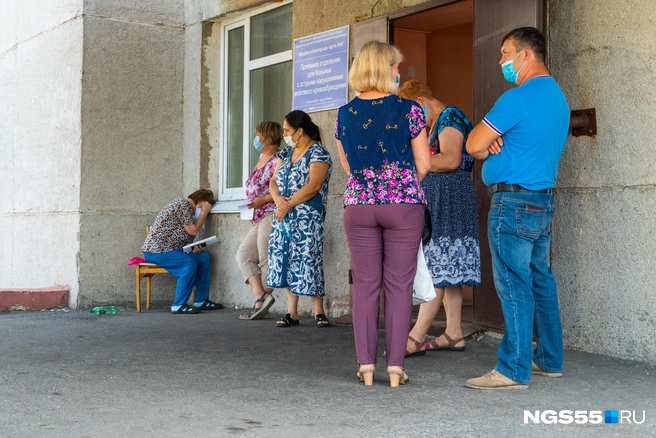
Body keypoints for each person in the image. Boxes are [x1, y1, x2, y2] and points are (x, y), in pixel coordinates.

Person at [464, 27, 569, 389]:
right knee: (540, 280)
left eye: (506, 53)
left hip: (512, 202)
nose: (501, 61)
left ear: (527, 54)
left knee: (513, 283)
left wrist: (492, 140)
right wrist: (495, 141)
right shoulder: (557, 98)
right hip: (543, 200)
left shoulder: (516, 99)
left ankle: (512, 369)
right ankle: (549, 360)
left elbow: (473, 143)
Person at [335, 41, 431, 387]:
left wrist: (371, 183)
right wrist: (400, 185)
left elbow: (347, 164)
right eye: (394, 66)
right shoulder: (410, 110)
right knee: (399, 286)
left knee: (364, 286)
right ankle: (394, 368)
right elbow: (424, 162)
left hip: (359, 205)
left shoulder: (344, 113)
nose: (398, 72)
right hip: (402, 204)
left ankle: (365, 366)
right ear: (382, 68)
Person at [397, 80, 481, 356]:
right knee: (449, 270)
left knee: (437, 271)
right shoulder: (435, 123)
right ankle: (454, 333)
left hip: (451, 200)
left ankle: (415, 336)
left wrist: (413, 163)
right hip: (443, 200)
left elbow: (450, 160)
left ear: (421, 101)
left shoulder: (450, 116)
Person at [267, 110, 332, 328]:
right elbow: (272, 182)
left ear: (299, 130)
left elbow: (313, 185)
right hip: (283, 216)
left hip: (307, 218)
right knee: (288, 259)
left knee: (308, 258)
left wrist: (287, 204)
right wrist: (278, 201)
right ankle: (291, 312)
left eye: (287, 130)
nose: (284, 134)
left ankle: (318, 311)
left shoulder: (318, 152)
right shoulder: (286, 154)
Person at [142, 189, 223, 314]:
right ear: (200, 202)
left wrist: (194, 246)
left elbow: (181, 235)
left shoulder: (188, 211)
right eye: (205, 206)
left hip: (173, 249)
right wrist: (204, 212)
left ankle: (201, 300)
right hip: (157, 251)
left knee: (203, 257)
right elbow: (193, 230)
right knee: (188, 264)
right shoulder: (182, 204)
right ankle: (178, 304)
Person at [236, 121, 283, 320]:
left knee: (266, 259)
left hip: (271, 212)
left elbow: (282, 189)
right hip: (257, 216)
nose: (256, 138)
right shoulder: (261, 157)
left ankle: (260, 303)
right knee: (243, 256)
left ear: (265, 136)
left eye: (258, 134)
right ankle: (261, 296)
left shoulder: (278, 158)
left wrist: (262, 200)